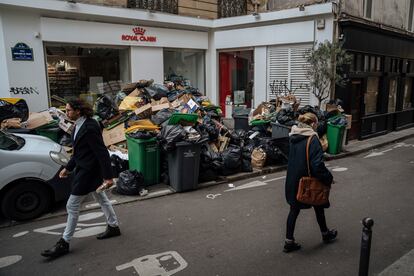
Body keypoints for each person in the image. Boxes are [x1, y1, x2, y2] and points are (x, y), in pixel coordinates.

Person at [41, 99, 121, 258]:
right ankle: (113, 227)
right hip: (85, 169)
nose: (67, 112)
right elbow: (78, 152)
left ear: (79, 111)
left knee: (72, 205)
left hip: (89, 172)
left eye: (69, 110)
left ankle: (64, 242)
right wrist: (67, 168)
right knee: (101, 198)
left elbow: (101, 152)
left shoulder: (90, 126)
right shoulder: (78, 125)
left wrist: (108, 177)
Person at [283, 112, 336, 253]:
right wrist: (328, 178)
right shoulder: (312, 139)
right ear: (312, 124)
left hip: (293, 180)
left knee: (294, 210)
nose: (317, 126)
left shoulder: (293, 135)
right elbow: (317, 165)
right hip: (309, 181)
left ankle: (289, 241)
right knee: (319, 205)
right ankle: (325, 234)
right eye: (316, 124)